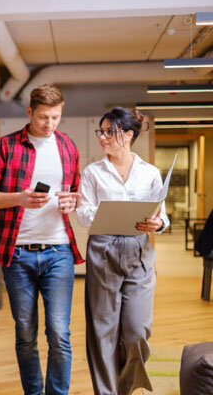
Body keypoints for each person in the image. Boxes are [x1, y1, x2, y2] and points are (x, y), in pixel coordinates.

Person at [0, 84, 82, 395]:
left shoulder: (68, 147)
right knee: (25, 333)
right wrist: (19, 198)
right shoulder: (5, 146)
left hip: (59, 249)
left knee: (59, 333)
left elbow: (74, 194)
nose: (49, 125)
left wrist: (71, 202)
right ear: (30, 113)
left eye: (56, 117)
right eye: (43, 117)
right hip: (17, 253)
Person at [76, 107, 169, 395]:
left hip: (139, 253)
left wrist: (158, 223)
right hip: (103, 252)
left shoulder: (150, 173)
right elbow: (82, 214)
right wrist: (108, 214)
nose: (102, 137)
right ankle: (107, 392)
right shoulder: (92, 172)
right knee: (103, 330)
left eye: (109, 132)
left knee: (137, 330)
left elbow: (162, 216)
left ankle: (124, 386)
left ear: (128, 135)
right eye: (100, 132)